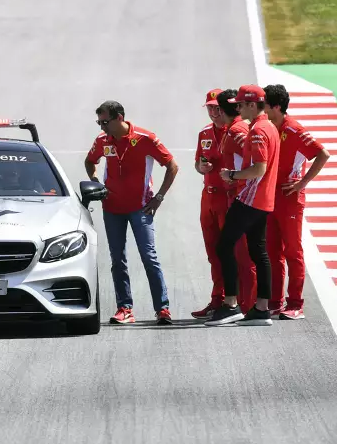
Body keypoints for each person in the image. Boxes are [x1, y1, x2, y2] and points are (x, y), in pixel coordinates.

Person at [85, 100, 179, 325]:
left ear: (119, 118)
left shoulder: (145, 138)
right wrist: (96, 183)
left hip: (141, 207)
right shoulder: (102, 140)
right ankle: (125, 308)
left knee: (149, 257)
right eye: (98, 122)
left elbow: (172, 166)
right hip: (112, 208)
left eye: (105, 122)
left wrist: (158, 197)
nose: (101, 127)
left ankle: (163, 309)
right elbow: (90, 161)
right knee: (118, 259)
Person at [204, 85, 281, 327]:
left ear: (250, 105)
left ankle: (231, 305)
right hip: (263, 200)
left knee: (224, 246)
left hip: (250, 198)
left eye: (240, 104)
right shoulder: (269, 126)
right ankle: (261, 309)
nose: (237, 109)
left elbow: (259, 168)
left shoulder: (258, 130)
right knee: (259, 252)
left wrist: (233, 175)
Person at [264, 84, 330, 320]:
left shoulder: (294, 129)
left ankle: (295, 304)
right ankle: (275, 301)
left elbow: (323, 154)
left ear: (277, 107)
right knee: (272, 251)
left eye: (265, 105)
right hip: (270, 198)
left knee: (293, 251)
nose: (261, 110)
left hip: (291, 199)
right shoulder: (268, 128)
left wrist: (302, 183)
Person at [191, 88, 258, 319]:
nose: (213, 112)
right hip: (208, 197)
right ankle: (218, 299)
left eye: (216, 108)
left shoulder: (240, 131)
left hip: (231, 196)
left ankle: (247, 303)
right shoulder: (205, 133)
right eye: (209, 108)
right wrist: (202, 167)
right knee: (214, 253)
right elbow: (197, 163)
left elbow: (255, 163)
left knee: (240, 253)